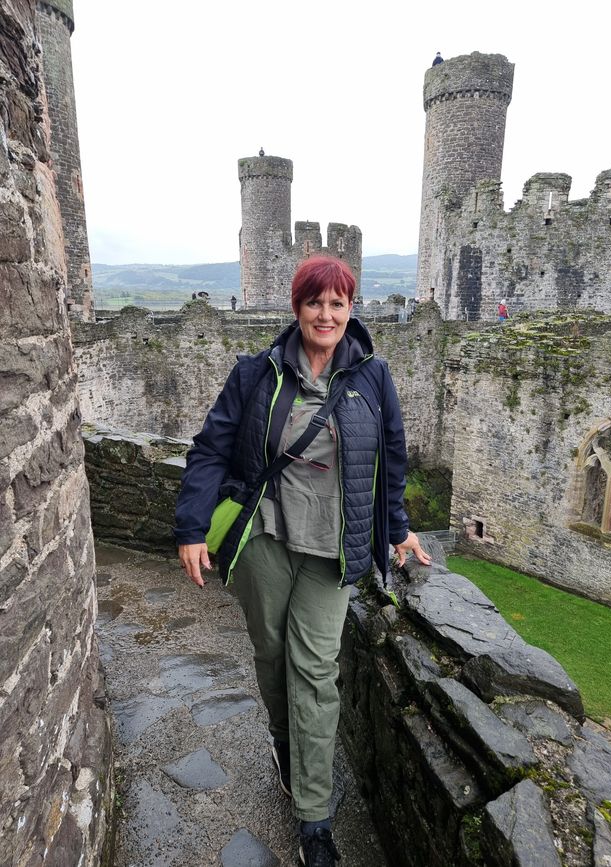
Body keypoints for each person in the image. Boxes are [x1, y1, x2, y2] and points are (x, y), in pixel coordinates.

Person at [174, 256, 431, 867]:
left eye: (338, 303)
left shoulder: (373, 378)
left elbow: (390, 462)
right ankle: (285, 744)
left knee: (314, 670)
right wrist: (191, 527)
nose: (326, 314)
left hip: (333, 549)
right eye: (315, 302)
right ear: (297, 308)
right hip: (264, 537)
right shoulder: (255, 373)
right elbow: (211, 449)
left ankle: (314, 818)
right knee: (270, 656)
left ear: (351, 309)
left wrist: (397, 530)